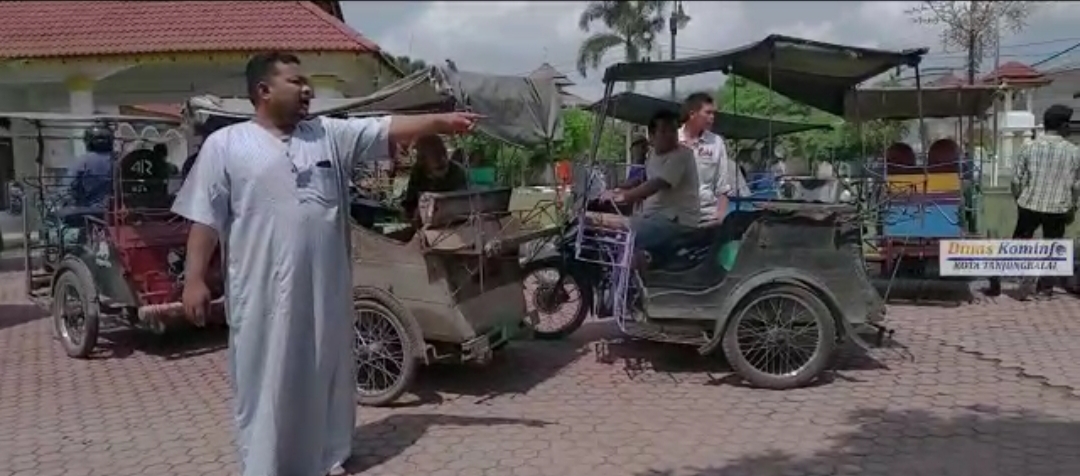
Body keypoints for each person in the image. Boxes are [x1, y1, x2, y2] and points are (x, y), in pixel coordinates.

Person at [172, 51, 481, 476]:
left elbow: (387, 127)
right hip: (261, 296)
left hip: (324, 291)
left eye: (307, 83)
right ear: (263, 91)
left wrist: (441, 123)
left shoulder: (327, 135)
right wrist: (194, 280)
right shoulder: (225, 146)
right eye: (296, 82)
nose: (308, 90)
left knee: (324, 372)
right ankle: (265, 463)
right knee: (267, 377)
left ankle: (327, 456)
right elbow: (205, 220)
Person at [988, 104, 1080, 299]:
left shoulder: (1028, 147)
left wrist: (1020, 198)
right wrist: (1072, 207)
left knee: (1019, 243)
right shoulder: (1074, 152)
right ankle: (1045, 289)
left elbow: (1016, 180)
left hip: (1029, 204)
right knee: (1052, 246)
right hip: (1058, 207)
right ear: (1062, 126)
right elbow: (1076, 185)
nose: (1070, 128)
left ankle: (1005, 279)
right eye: (1068, 124)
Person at [601, 110, 699, 262]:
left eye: (673, 130)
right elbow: (643, 178)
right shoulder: (653, 155)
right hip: (654, 218)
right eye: (664, 131)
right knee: (608, 233)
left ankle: (628, 282)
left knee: (623, 232)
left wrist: (627, 196)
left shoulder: (683, 155)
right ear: (652, 136)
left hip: (676, 221)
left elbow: (658, 183)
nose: (670, 135)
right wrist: (618, 189)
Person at [679, 92, 749, 221]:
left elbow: (723, 184)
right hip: (676, 217)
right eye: (707, 113)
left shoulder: (716, 142)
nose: (712, 117)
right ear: (692, 114)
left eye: (714, 113)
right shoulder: (673, 139)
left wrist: (721, 214)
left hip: (707, 216)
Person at [401, 134, 469, 225]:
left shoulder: (457, 172)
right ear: (422, 160)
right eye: (434, 153)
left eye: (442, 152)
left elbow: (466, 203)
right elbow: (410, 205)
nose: (441, 158)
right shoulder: (418, 173)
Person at [67, 124, 115, 208]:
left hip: (89, 211)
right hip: (118, 210)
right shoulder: (121, 159)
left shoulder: (82, 162)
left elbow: (69, 187)